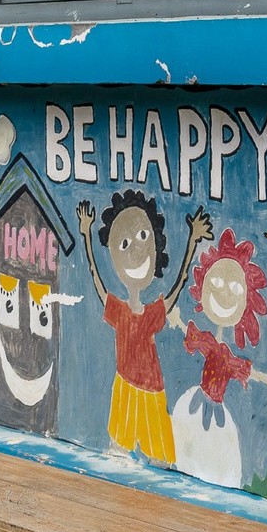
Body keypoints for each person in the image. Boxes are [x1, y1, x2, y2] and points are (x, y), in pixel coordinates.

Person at [76, 190, 211, 468]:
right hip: (125, 386)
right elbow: (96, 278)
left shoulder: (152, 313)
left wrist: (192, 242)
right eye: (125, 244)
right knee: (117, 450)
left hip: (151, 390)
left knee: (160, 459)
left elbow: (179, 284)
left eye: (142, 237)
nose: (135, 251)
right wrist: (86, 235)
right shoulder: (119, 311)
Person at [172, 229, 267, 488]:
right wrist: (177, 320)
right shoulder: (209, 343)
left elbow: (249, 372)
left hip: (217, 413)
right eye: (215, 282)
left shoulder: (227, 358)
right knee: (186, 441)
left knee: (217, 454)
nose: (223, 294)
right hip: (196, 402)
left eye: (235, 288)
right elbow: (191, 334)